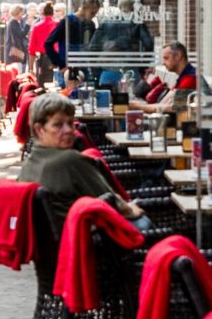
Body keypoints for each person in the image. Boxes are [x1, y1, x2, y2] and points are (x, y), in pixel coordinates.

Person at [16, 93, 145, 240]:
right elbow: (117, 205)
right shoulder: (70, 161)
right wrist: (137, 210)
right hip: (92, 245)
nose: (68, 130)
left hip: (55, 248)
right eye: (58, 125)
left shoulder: (27, 167)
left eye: (70, 123)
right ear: (39, 129)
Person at [143, 41, 199, 110]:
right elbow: (163, 104)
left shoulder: (190, 78)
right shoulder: (183, 77)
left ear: (178, 56)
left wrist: (138, 107)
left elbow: (174, 108)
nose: (163, 63)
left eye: (166, 58)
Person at [29, 2, 65, 83]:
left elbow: (31, 49)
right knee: (60, 82)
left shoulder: (37, 26)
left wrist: (31, 68)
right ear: (53, 13)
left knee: (44, 83)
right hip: (59, 57)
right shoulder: (58, 25)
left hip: (44, 59)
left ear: (42, 13)